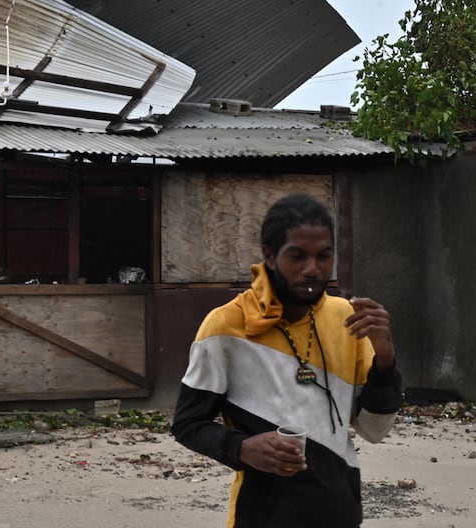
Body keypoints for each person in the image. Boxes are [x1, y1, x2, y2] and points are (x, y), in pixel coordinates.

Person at [170, 193, 403, 527]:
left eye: (324, 256)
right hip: (262, 517)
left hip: (341, 513)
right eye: (297, 256)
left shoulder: (347, 318)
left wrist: (385, 359)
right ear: (269, 256)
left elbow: (374, 429)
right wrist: (242, 448)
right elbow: (187, 425)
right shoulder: (226, 327)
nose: (313, 269)